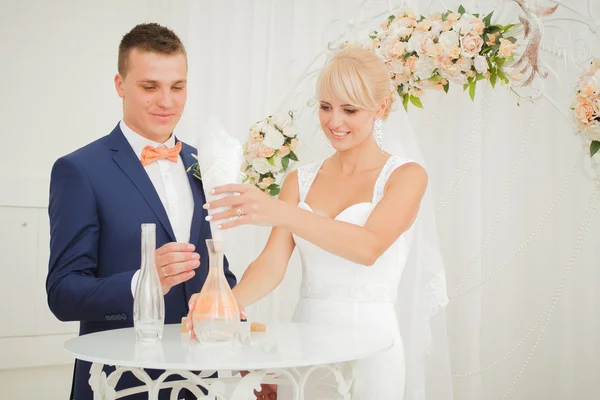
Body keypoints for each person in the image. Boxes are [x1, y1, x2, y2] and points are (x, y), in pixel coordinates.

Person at [197, 46, 434, 399]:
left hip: (373, 348)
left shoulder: (407, 176)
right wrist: (222, 305)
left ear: (380, 108)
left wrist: (283, 213)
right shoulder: (300, 180)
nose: (334, 122)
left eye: (349, 110)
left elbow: (368, 247)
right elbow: (271, 266)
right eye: (325, 107)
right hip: (305, 343)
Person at [46, 23, 237, 400]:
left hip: (206, 380)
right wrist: (143, 282)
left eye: (177, 87)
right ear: (120, 85)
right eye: (150, 87)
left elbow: (220, 273)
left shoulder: (206, 164)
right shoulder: (79, 170)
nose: (166, 101)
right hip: (121, 379)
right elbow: (63, 294)